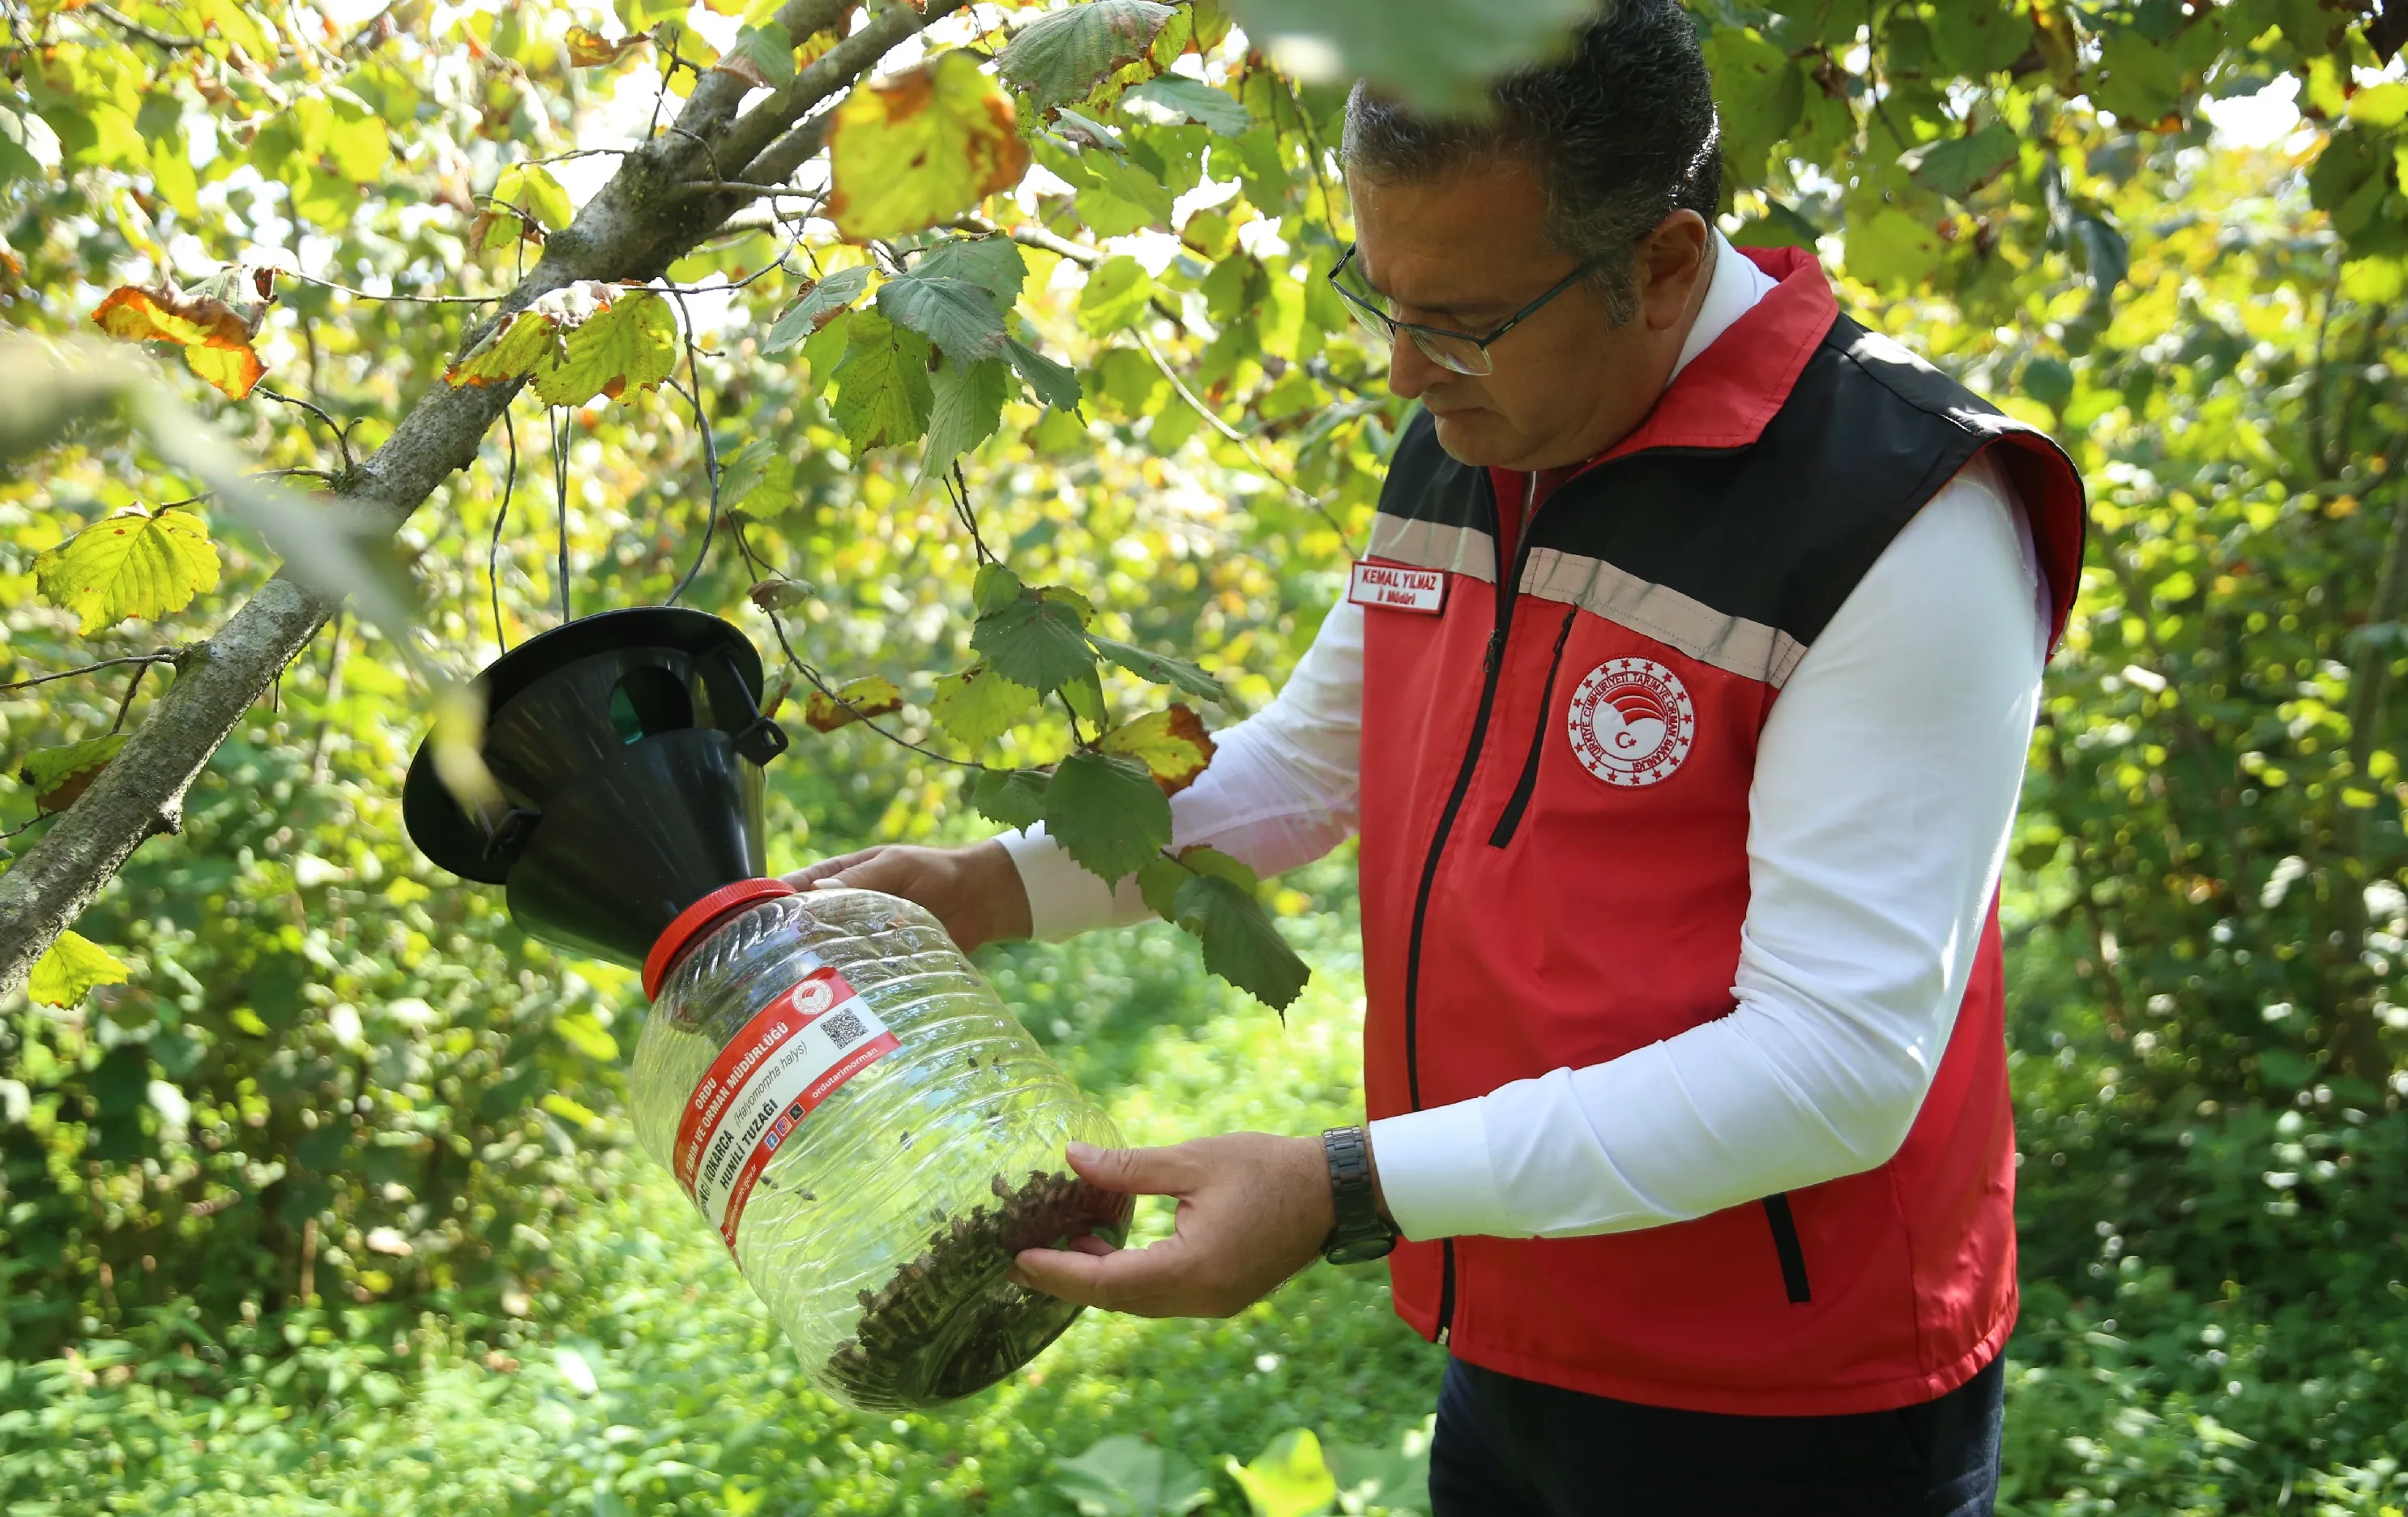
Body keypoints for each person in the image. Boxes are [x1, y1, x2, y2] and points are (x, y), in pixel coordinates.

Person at [787, 2, 2086, 1510]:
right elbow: (1312, 768)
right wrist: (980, 891)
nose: (1405, 369)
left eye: (1457, 318)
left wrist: (1347, 1188)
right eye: (1380, 296)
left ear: (1662, 266)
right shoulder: (1481, 428)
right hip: (1516, 1316)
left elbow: (1836, 1066)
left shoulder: (1903, 515)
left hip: (1791, 1401)